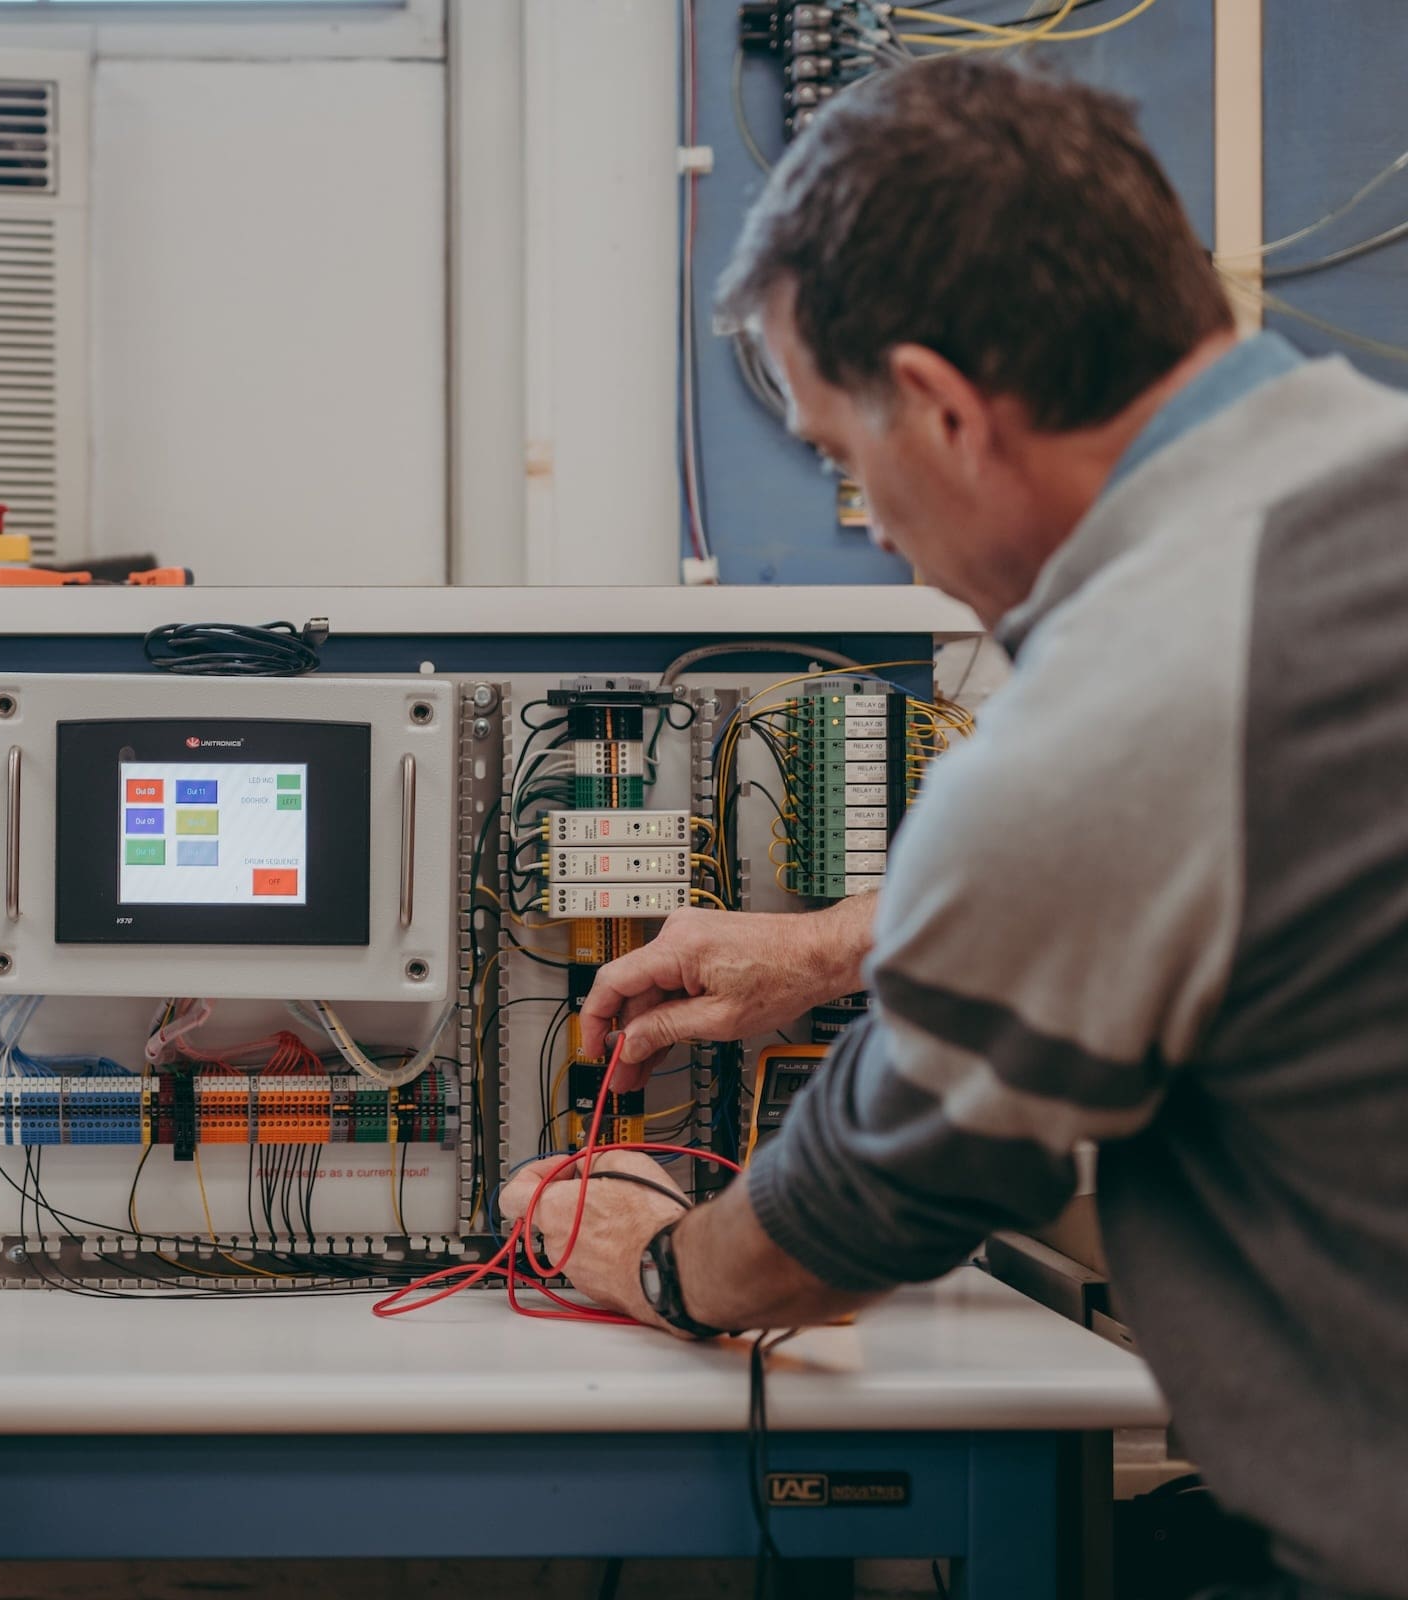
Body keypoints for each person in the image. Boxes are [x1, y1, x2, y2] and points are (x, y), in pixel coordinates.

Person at [502, 56, 1408, 1600]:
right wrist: (835, 947)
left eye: (848, 464)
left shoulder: (1133, 699)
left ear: (936, 406)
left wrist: (647, 1255)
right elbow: (1245, 873)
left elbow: (864, 1208)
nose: (891, 535)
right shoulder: (1349, 518)